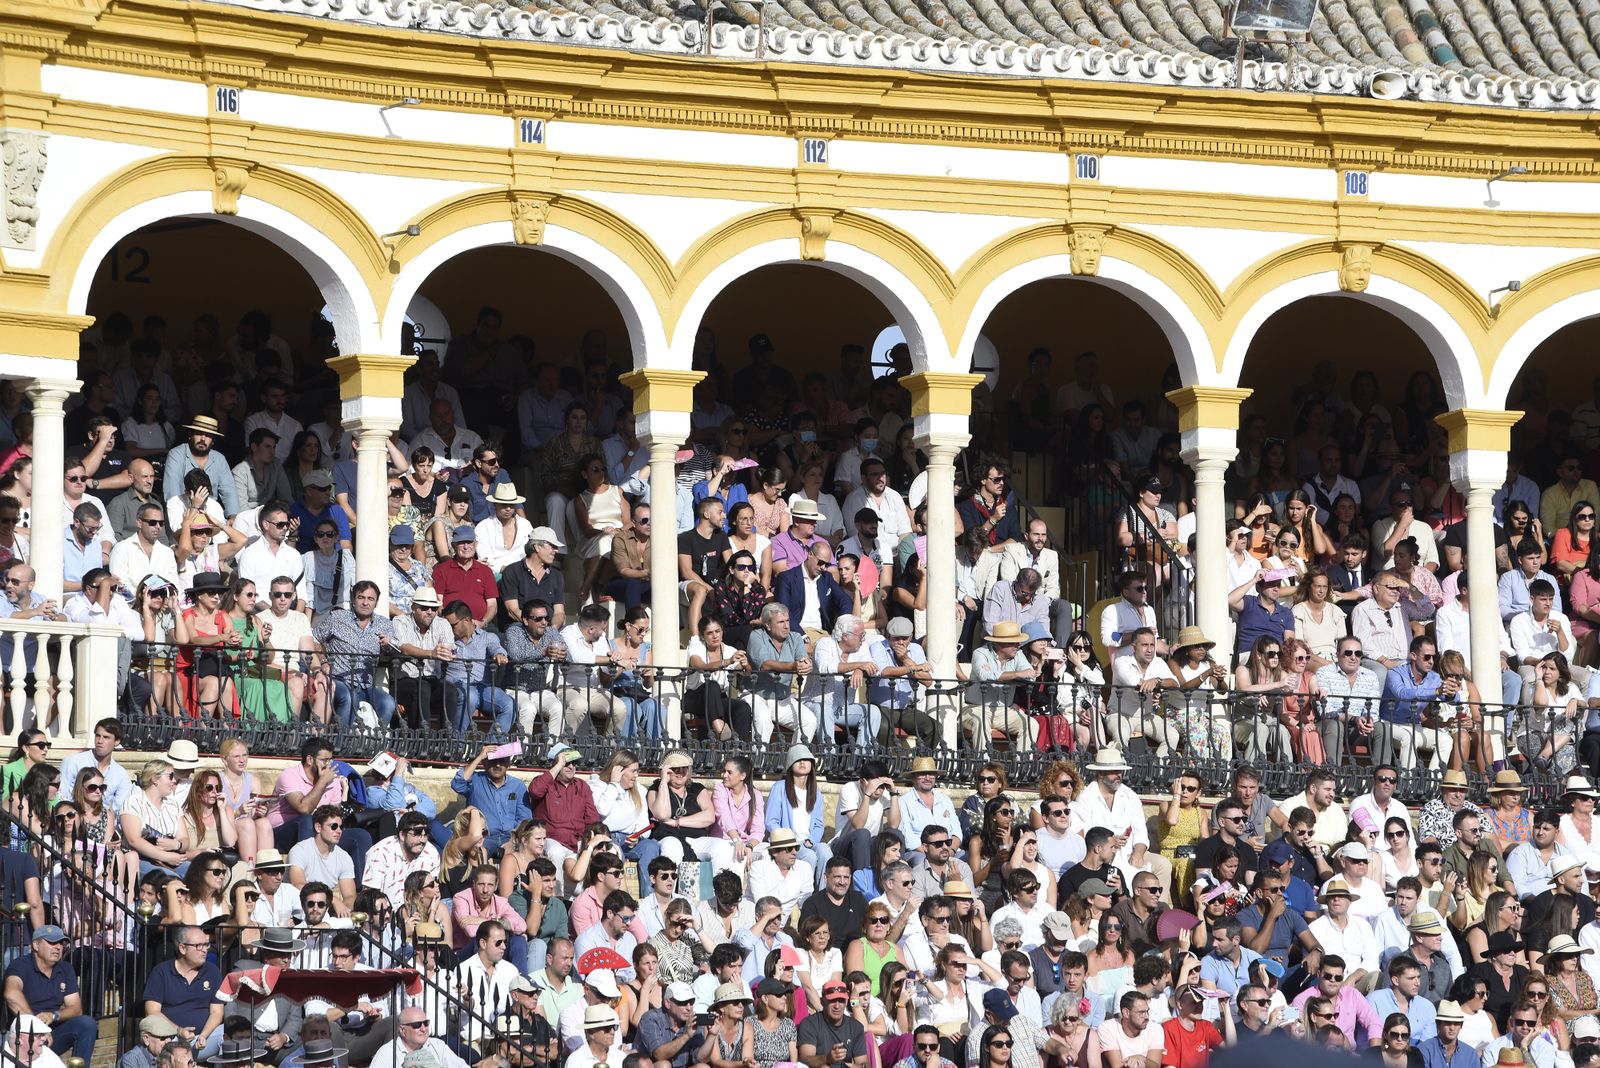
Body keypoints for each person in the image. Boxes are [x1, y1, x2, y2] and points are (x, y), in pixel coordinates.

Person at [1, 925, 97, 1062]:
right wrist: (38, 1028)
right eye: (52, 942)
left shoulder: (65, 968)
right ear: (36, 945)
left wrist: (53, 1015)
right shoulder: (20, 965)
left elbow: (76, 1009)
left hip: (51, 1035)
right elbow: (11, 994)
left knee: (87, 1024)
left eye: (61, 943)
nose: (58, 947)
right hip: (23, 1036)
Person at [797, 979, 868, 1068]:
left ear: (846, 1002)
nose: (837, 1006)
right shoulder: (809, 1024)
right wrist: (827, 1058)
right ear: (822, 1001)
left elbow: (863, 1063)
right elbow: (805, 1059)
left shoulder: (855, 1027)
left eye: (841, 1000)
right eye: (832, 1000)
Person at [1095, 990, 1163, 1068]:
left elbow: (1156, 1066)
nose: (1146, 1016)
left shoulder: (1155, 1029)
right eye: (1141, 1012)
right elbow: (1117, 1066)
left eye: (1147, 1011)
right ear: (1126, 1013)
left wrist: (1143, 1060)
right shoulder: (1107, 1028)